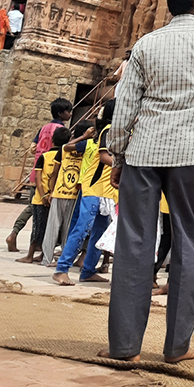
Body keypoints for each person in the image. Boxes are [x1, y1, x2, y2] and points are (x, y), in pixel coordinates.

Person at [103, 0, 194, 364]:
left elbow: (124, 107)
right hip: (191, 153)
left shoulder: (146, 44)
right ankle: (177, 346)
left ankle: (124, 346)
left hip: (144, 152)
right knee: (186, 243)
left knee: (134, 246)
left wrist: (119, 156)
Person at [53, 100, 119, 285]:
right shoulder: (109, 130)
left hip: (107, 190)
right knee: (83, 228)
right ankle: (62, 268)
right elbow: (104, 157)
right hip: (95, 187)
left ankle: (88, 270)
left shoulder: (119, 131)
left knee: (100, 230)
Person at [6, 97, 73, 253]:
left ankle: (17, 235)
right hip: (49, 175)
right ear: (60, 113)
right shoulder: (60, 130)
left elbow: (33, 146)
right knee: (39, 210)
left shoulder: (44, 127)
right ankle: (31, 241)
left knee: (32, 207)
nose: (70, 114)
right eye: (68, 111)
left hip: (37, 171)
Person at [41, 120, 94, 265]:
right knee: (60, 228)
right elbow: (56, 169)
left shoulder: (78, 149)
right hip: (67, 193)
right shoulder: (75, 149)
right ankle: (55, 258)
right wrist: (51, 191)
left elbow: (55, 171)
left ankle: (54, 258)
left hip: (67, 193)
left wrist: (51, 191)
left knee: (61, 228)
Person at [15, 127, 72, 264]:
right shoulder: (64, 156)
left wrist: (43, 196)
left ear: (52, 140)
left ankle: (30, 255)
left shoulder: (44, 156)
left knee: (37, 228)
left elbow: (38, 180)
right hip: (55, 197)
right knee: (50, 229)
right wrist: (51, 195)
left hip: (40, 199)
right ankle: (43, 255)